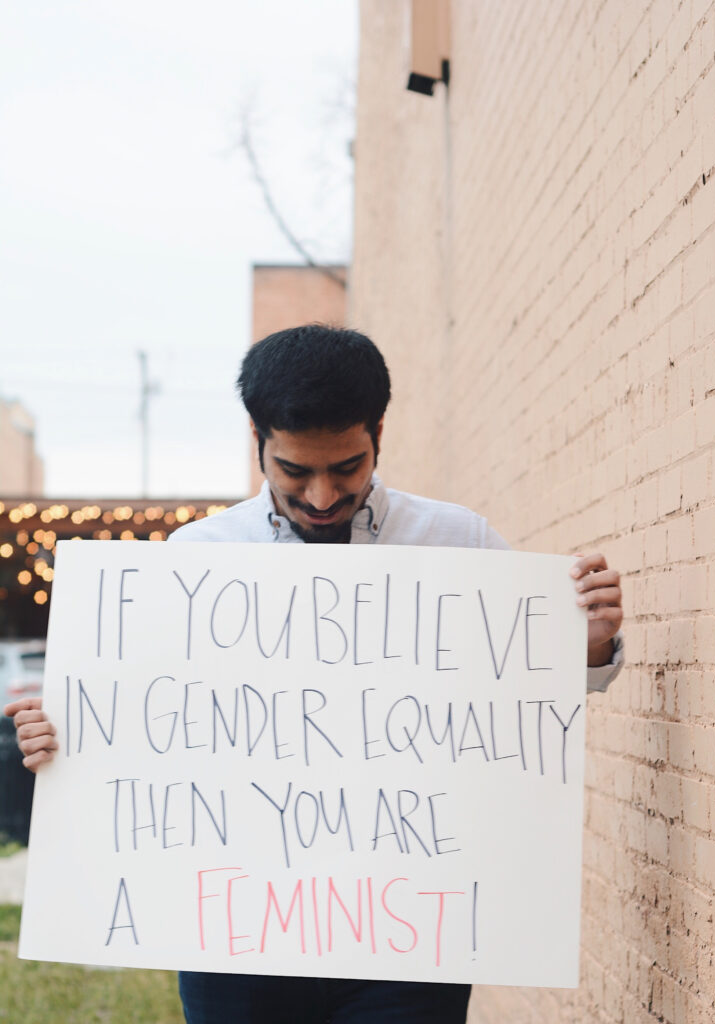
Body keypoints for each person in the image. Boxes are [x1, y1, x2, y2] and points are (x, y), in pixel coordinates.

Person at [5, 324, 624, 1024]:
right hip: (235, 935)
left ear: (379, 434)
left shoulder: (461, 543)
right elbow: (137, 724)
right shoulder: (192, 559)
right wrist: (58, 735)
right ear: (257, 438)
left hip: (410, 932)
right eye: (296, 471)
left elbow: (523, 708)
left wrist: (590, 646)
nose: (324, 495)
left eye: (347, 468)